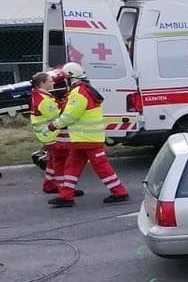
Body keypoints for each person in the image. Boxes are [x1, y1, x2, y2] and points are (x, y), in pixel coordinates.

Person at [48, 62, 129, 207]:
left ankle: (119, 192)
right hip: (83, 138)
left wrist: (54, 125)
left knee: (100, 166)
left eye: (65, 79)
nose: (63, 82)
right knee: (72, 166)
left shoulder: (78, 92)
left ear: (71, 78)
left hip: (87, 138)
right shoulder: (84, 89)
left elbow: (70, 115)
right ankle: (66, 196)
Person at [29, 70, 76, 196]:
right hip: (51, 133)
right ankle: (64, 188)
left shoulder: (42, 96)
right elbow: (58, 115)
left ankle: (49, 185)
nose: (53, 83)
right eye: (50, 81)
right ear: (42, 83)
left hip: (47, 133)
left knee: (53, 161)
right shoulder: (43, 99)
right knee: (61, 161)